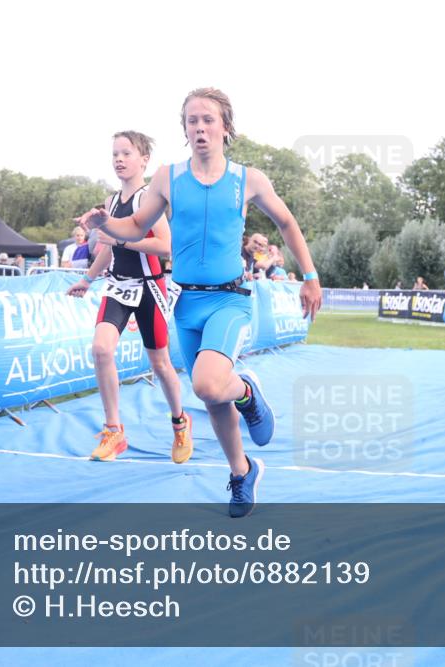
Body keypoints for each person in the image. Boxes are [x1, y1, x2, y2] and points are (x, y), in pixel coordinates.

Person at [78, 87, 322, 517]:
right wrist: (106, 224)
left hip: (230, 300)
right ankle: (242, 472)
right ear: (185, 130)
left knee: (211, 384)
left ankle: (247, 392)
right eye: (192, 121)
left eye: (208, 119)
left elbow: (286, 222)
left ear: (226, 127)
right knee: (210, 399)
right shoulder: (168, 178)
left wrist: (311, 276)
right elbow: (137, 225)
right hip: (186, 303)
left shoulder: (249, 179)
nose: (200, 127)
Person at [67, 131, 193, 465]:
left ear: (144, 160)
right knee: (101, 348)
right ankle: (114, 431)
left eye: (126, 153)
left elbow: (165, 246)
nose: (119, 160)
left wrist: (124, 242)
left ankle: (180, 422)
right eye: (115, 154)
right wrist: (87, 279)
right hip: (118, 286)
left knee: (160, 364)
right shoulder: (110, 203)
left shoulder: (148, 200)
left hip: (150, 287)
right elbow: (107, 248)